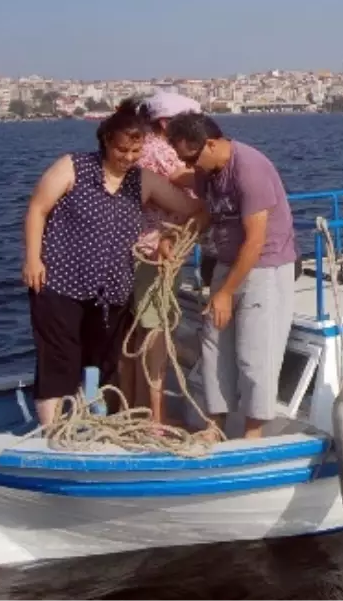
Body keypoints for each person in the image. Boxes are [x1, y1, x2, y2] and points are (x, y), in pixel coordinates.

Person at [22, 100, 202, 428]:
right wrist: (32, 259)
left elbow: (192, 209)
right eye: (122, 150)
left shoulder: (142, 180)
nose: (128, 158)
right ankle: (51, 432)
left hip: (112, 291)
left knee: (103, 362)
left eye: (135, 151)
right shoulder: (72, 166)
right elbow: (37, 208)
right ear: (106, 141)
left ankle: (96, 420)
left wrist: (169, 239)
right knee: (59, 359)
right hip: (60, 283)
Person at [165, 112, 298, 440]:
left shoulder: (250, 170)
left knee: (255, 352)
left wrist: (225, 293)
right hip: (227, 261)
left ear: (210, 145)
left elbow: (255, 241)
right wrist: (174, 237)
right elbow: (207, 210)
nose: (189, 166)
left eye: (191, 158)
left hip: (264, 267)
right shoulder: (208, 171)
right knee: (214, 343)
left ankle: (253, 433)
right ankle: (215, 425)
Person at [122, 91, 202, 426]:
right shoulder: (161, 151)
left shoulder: (139, 148)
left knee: (138, 331)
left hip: (135, 250)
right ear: (168, 123)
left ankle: (133, 409)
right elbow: (193, 184)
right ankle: (156, 419)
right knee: (155, 333)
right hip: (154, 254)